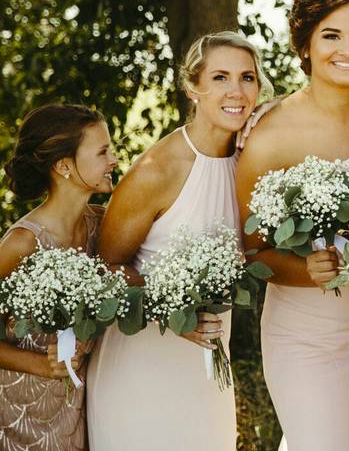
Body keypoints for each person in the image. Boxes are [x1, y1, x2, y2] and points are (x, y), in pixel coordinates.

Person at [237, 0, 349, 451]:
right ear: (304, 44)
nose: (347, 49)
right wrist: (306, 270)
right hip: (307, 338)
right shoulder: (270, 136)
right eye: (331, 35)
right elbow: (251, 252)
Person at [87, 31, 273, 451]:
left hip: (207, 373)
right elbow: (108, 268)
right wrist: (173, 310)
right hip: (142, 365)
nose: (236, 91)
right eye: (221, 77)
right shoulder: (158, 169)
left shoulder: (253, 160)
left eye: (247, 78)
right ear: (193, 87)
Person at [0, 104, 116, 451]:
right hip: (19, 415)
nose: (113, 159)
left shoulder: (102, 226)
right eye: (102, 151)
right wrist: (41, 364)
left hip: (78, 411)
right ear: (64, 165)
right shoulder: (22, 243)